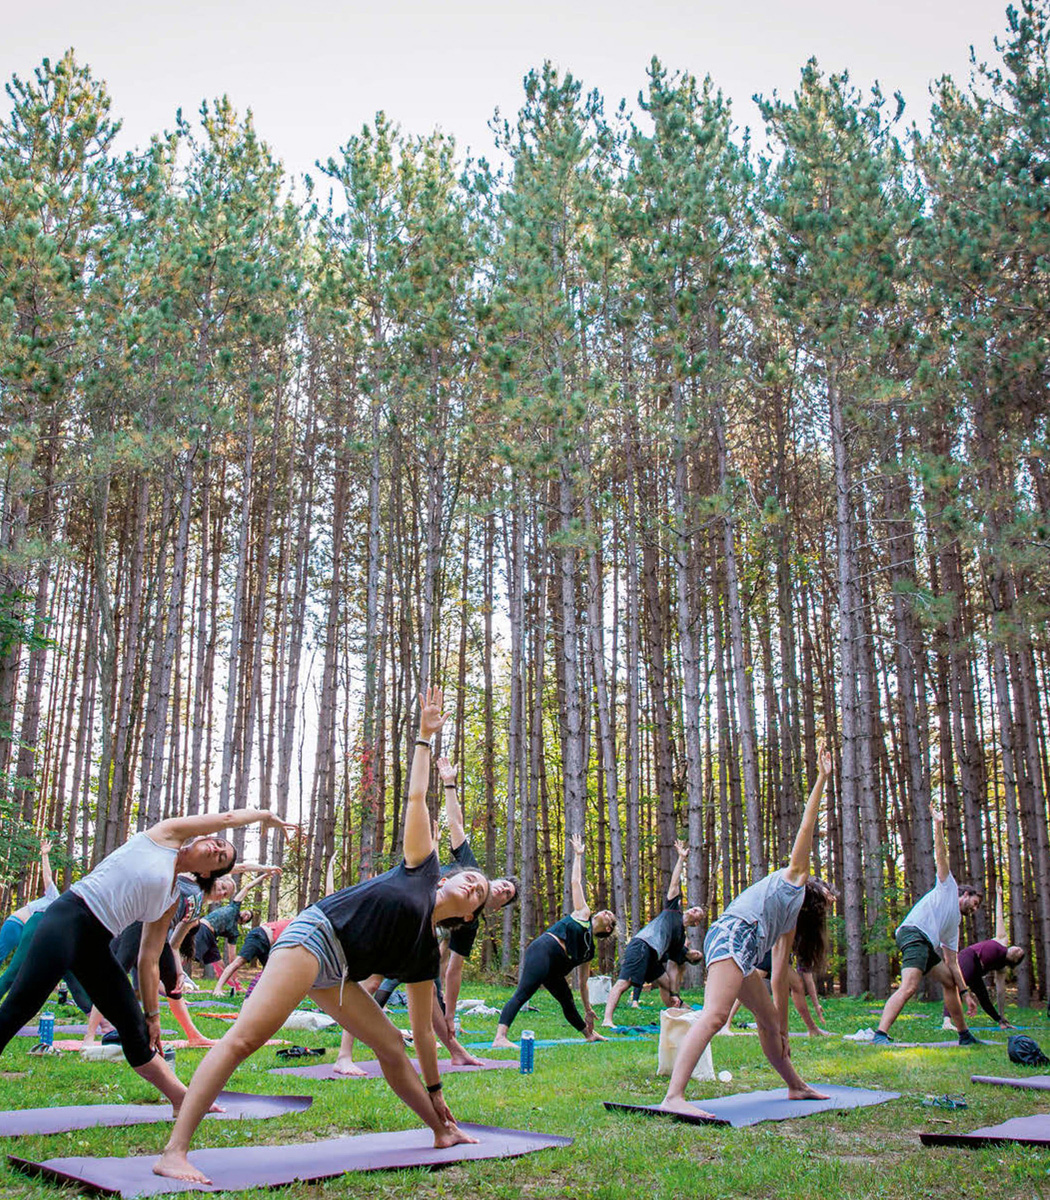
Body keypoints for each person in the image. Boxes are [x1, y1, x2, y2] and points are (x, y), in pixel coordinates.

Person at [154, 685, 488, 1184]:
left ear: (467, 916)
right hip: (312, 936)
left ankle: (439, 1131)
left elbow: (423, 1035)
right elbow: (417, 797)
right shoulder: (422, 868)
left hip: (336, 972)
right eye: (470, 874)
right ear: (448, 878)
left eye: (479, 888)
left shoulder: (423, 955)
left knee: (392, 1048)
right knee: (245, 1038)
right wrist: (423, 737)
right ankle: (175, 1150)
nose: (472, 879)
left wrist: (439, 1101)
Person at [0, 806, 296, 1107]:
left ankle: (181, 1099)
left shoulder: (171, 899)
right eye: (218, 843)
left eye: (220, 857)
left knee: (137, 1029)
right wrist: (264, 816)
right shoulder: (165, 836)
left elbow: (149, 958)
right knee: (18, 1008)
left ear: (207, 873)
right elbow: (228, 818)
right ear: (203, 837)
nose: (215, 847)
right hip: (68, 917)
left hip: (95, 941)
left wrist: (153, 1016)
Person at [660, 748, 835, 1116]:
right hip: (732, 936)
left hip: (743, 945)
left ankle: (795, 1085)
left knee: (768, 1021)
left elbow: (779, 978)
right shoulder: (794, 881)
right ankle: (674, 1096)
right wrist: (821, 779)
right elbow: (806, 828)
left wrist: (784, 1029)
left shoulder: (787, 922)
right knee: (715, 1016)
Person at [333, 755, 519, 1075]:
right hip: (403, 909)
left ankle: (454, 1052)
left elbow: (453, 970)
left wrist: (450, 1012)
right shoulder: (470, 869)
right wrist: (449, 783)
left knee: (427, 993)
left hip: (421, 934)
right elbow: (456, 824)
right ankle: (344, 1056)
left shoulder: (469, 922)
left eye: (505, 896)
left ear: (494, 907)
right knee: (375, 980)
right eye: (502, 885)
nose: (500, 890)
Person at [873, 802, 983, 1046]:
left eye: (976, 908)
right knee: (910, 986)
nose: (973, 909)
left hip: (924, 941)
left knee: (949, 980)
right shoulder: (948, 887)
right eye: (973, 903)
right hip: (913, 934)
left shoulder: (953, 925)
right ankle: (880, 1034)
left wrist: (966, 994)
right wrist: (938, 825)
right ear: (964, 895)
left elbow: (953, 963)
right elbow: (941, 856)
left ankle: (964, 1035)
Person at [491, 834, 614, 1048]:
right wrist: (578, 855)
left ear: (608, 928)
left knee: (567, 999)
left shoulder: (588, 953)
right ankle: (500, 1038)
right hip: (544, 950)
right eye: (605, 910)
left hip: (555, 969)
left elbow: (583, 983)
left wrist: (588, 1009)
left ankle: (589, 1034)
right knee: (524, 992)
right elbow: (575, 882)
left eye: (609, 915)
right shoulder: (583, 912)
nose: (605, 911)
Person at [602, 840, 704, 1027]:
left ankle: (680, 1016)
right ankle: (607, 1019)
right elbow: (674, 884)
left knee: (666, 982)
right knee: (624, 983)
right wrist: (681, 858)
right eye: (694, 908)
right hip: (642, 945)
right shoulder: (673, 910)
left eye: (698, 912)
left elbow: (674, 967)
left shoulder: (680, 938)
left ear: (696, 923)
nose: (693, 910)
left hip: (653, 955)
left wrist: (674, 994)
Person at [0, 837, 90, 1010]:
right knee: (6, 964)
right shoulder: (55, 897)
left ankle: (89, 1010)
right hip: (17, 924)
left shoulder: (69, 915)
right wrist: (44, 855)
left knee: (22, 970)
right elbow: (47, 876)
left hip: (34, 933)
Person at [940, 883, 1023, 1031]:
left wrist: (1002, 1016)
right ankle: (946, 1021)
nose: (1019, 949)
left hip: (976, 971)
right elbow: (999, 918)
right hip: (969, 957)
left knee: (984, 997)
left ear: (1015, 960)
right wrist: (999, 896)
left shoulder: (1001, 969)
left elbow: (1000, 993)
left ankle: (1000, 1022)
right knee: (957, 986)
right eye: (1018, 948)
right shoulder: (1002, 940)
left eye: (1020, 954)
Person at [192, 872, 273, 980]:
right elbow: (247, 888)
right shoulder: (234, 907)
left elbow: (232, 958)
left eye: (247, 917)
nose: (245, 915)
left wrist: (235, 977)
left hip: (211, 937)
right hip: (202, 928)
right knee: (188, 956)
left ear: (243, 922)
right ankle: (172, 978)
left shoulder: (234, 932)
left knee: (219, 965)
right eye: (246, 912)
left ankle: (233, 986)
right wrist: (263, 876)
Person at [212, 916, 293, 994]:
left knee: (271, 969)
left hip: (267, 944)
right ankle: (218, 989)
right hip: (259, 936)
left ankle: (267, 993)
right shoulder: (295, 925)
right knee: (238, 962)